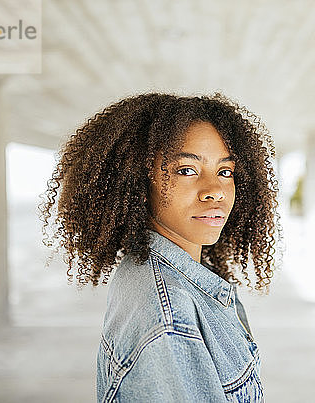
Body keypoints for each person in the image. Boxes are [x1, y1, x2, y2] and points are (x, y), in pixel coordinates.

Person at [39, 92, 282, 402]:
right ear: (139, 181)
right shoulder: (167, 316)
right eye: (186, 170)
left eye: (225, 172)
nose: (214, 191)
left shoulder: (168, 278)